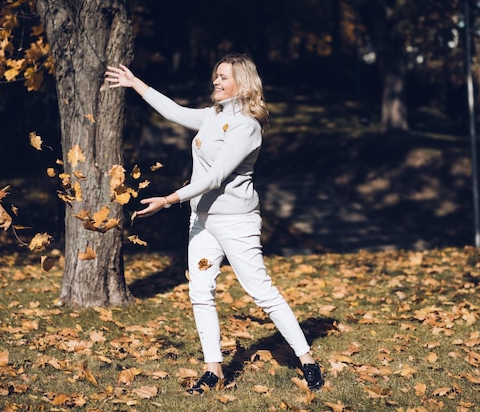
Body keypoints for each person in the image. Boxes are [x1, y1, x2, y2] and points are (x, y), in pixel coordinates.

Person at [105, 53, 324, 394]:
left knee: (262, 293)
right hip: (202, 222)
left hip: (237, 223)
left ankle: (307, 359)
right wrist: (137, 85)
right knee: (200, 291)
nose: (216, 82)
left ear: (243, 83)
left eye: (224, 77)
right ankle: (213, 370)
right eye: (216, 76)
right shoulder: (213, 116)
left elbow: (216, 176)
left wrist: (168, 199)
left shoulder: (247, 126)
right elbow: (175, 112)